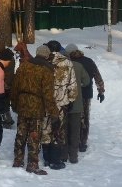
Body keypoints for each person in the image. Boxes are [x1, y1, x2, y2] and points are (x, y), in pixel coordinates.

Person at [10, 45, 59, 175]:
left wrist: (14, 104)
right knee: (34, 136)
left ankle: (17, 160)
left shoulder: (24, 66)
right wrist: (54, 114)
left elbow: (15, 87)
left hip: (22, 104)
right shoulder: (46, 71)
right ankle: (32, 164)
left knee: (20, 133)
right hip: (37, 107)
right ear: (47, 56)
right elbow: (48, 95)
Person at [41, 40, 78, 170]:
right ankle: (55, 160)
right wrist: (72, 100)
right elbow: (72, 83)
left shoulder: (44, 62)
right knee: (58, 130)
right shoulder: (67, 63)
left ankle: (46, 158)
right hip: (61, 103)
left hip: (45, 102)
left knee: (45, 129)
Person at [64, 43, 105, 152]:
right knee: (84, 117)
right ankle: (82, 142)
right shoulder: (89, 61)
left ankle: (70, 140)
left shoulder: (68, 63)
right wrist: (101, 91)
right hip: (86, 94)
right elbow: (97, 76)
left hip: (71, 94)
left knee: (70, 116)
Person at [60, 48, 90, 163]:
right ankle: (73, 156)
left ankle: (63, 155)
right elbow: (86, 81)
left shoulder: (58, 67)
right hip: (76, 104)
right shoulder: (78, 65)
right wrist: (79, 85)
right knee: (75, 131)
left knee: (63, 131)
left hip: (62, 104)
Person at [0, 40, 15, 129]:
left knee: (5, 103)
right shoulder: (8, 56)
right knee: (5, 103)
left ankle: (7, 120)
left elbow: (8, 73)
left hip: (6, 83)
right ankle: (7, 119)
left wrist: (6, 83)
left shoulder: (7, 59)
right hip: (6, 83)